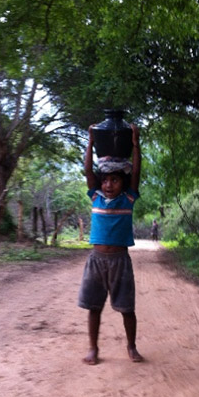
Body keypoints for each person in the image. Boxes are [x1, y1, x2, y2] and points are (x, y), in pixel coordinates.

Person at [78, 123, 144, 365]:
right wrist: (90, 142)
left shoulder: (128, 198)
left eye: (114, 180)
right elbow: (88, 172)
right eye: (105, 180)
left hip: (120, 262)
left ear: (123, 183)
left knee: (127, 308)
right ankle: (93, 348)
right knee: (93, 307)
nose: (108, 185)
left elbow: (136, 172)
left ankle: (132, 346)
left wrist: (135, 145)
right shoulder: (95, 196)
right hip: (96, 261)